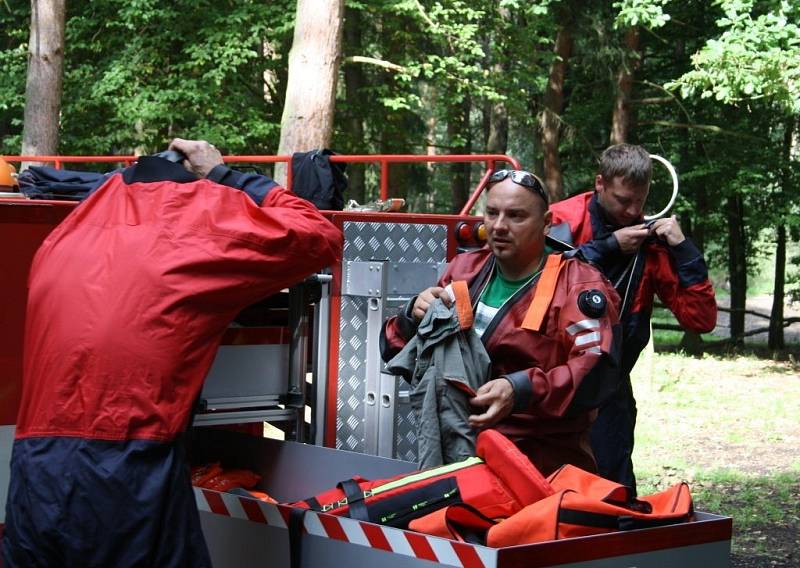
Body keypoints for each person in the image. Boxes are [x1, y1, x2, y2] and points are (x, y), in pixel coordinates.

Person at [1, 139, 343, 567]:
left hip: (35, 470)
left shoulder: (70, 228)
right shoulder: (199, 213)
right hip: (124, 467)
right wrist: (222, 175)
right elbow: (319, 236)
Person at [381, 169, 622, 477]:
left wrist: (519, 389)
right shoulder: (465, 270)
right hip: (457, 454)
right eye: (492, 213)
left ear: (547, 223)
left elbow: (597, 369)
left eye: (516, 216)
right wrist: (411, 315)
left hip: (541, 467)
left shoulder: (577, 284)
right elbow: (399, 351)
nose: (499, 226)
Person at [549, 143, 717, 492]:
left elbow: (701, 318)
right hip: (547, 381)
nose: (633, 211)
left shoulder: (651, 245)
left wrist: (685, 249)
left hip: (609, 387)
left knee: (612, 492)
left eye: (640, 202)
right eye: (624, 200)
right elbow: (536, 279)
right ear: (600, 184)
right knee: (545, 487)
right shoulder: (563, 218)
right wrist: (609, 246)